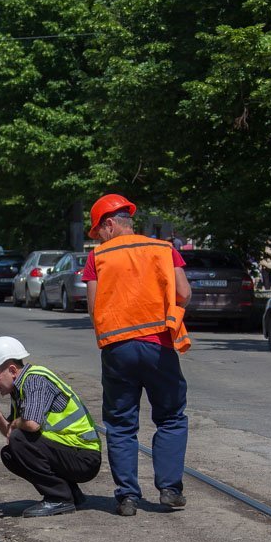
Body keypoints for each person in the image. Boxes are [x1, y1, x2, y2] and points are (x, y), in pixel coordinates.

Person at [82, 193, 191, 517]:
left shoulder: (97, 258)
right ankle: (170, 489)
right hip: (159, 345)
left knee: (120, 423)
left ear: (110, 224)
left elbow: (92, 307)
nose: (97, 237)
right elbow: (183, 292)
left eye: (97, 231)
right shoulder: (163, 249)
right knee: (171, 417)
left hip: (117, 348)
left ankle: (127, 497)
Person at [0, 336, 102, 518]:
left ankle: (59, 498)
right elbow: (10, 433)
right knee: (9, 453)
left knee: (20, 438)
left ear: (12, 370)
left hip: (84, 456)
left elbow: (31, 425)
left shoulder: (34, 381)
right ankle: (71, 494)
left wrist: (15, 424)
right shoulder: (19, 389)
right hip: (71, 452)